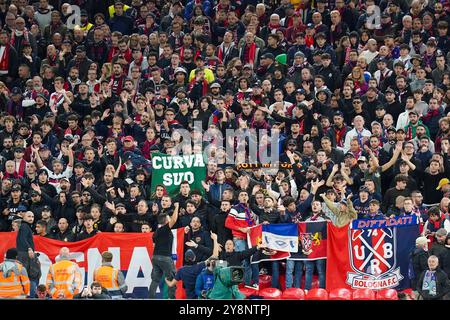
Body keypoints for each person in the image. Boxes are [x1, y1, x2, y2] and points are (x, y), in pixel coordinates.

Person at [148, 203, 179, 299]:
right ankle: (171, 298)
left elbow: (154, 245)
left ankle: (151, 298)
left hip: (155, 257)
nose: (170, 219)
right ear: (166, 221)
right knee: (172, 278)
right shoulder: (165, 229)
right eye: (168, 218)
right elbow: (174, 220)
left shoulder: (156, 232)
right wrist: (177, 207)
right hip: (165, 257)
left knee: (155, 280)